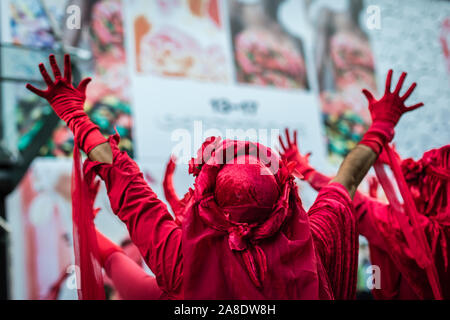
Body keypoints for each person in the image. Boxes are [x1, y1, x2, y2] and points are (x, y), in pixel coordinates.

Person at [26, 54, 422, 299]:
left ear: (206, 199)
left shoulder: (180, 258)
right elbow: (347, 179)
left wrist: (74, 114)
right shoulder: (315, 242)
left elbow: (123, 182)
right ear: (285, 199)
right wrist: (382, 125)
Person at [279, 128, 449, 299]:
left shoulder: (418, 233)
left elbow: (345, 196)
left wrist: (307, 172)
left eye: (424, 179)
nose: (416, 187)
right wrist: (397, 165)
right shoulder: (436, 231)